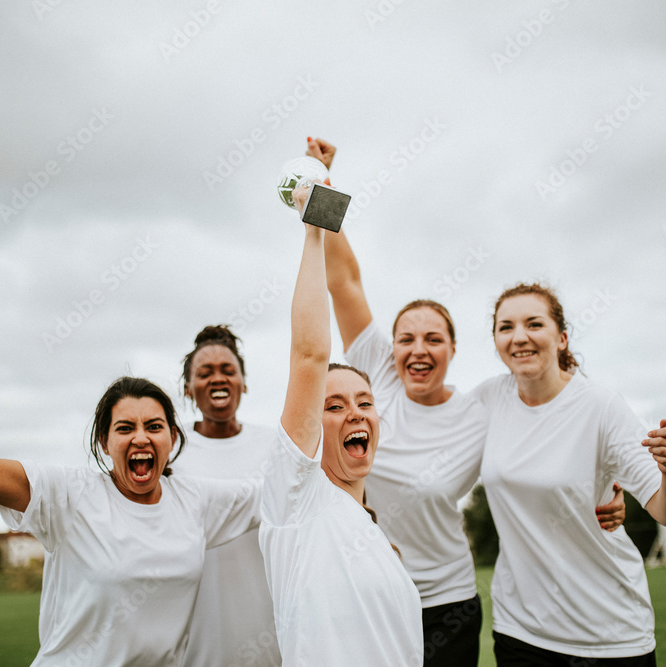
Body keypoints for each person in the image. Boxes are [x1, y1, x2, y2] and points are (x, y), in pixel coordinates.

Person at [314, 136, 626, 666]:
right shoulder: (377, 375)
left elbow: (555, 419)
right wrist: (323, 185)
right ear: (390, 348)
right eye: (406, 339)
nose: (417, 349)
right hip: (370, 586)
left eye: (433, 339)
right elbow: (342, 278)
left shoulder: (483, 408)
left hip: (448, 603)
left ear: (453, 349)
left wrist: (607, 487)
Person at [0, 322, 259, 666]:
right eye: (125, 428)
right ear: (104, 442)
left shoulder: (196, 499)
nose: (141, 438)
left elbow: (283, 490)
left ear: (173, 438)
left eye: (154, 426)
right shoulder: (68, 495)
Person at [257, 180, 424, 665]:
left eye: (365, 402)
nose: (354, 412)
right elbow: (310, 355)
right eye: (333, 406)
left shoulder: (376, 537)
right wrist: (315, 226)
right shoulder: (296, 497)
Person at [482, 283, 666, 665]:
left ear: (561, 338)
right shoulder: (489, 400)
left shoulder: (602, 407)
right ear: (496, 340)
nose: (519, 337)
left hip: (610, 636)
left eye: (534, 324)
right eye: (506, 327)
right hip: (520, 633)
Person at [174, 325, 281, 667]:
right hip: (193, 638)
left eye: (228, 370)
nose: (217, 379)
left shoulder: (276, 445)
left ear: (244, 383)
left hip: (269, 632)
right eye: (204, 373)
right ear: (189, 389)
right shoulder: (170, 452)